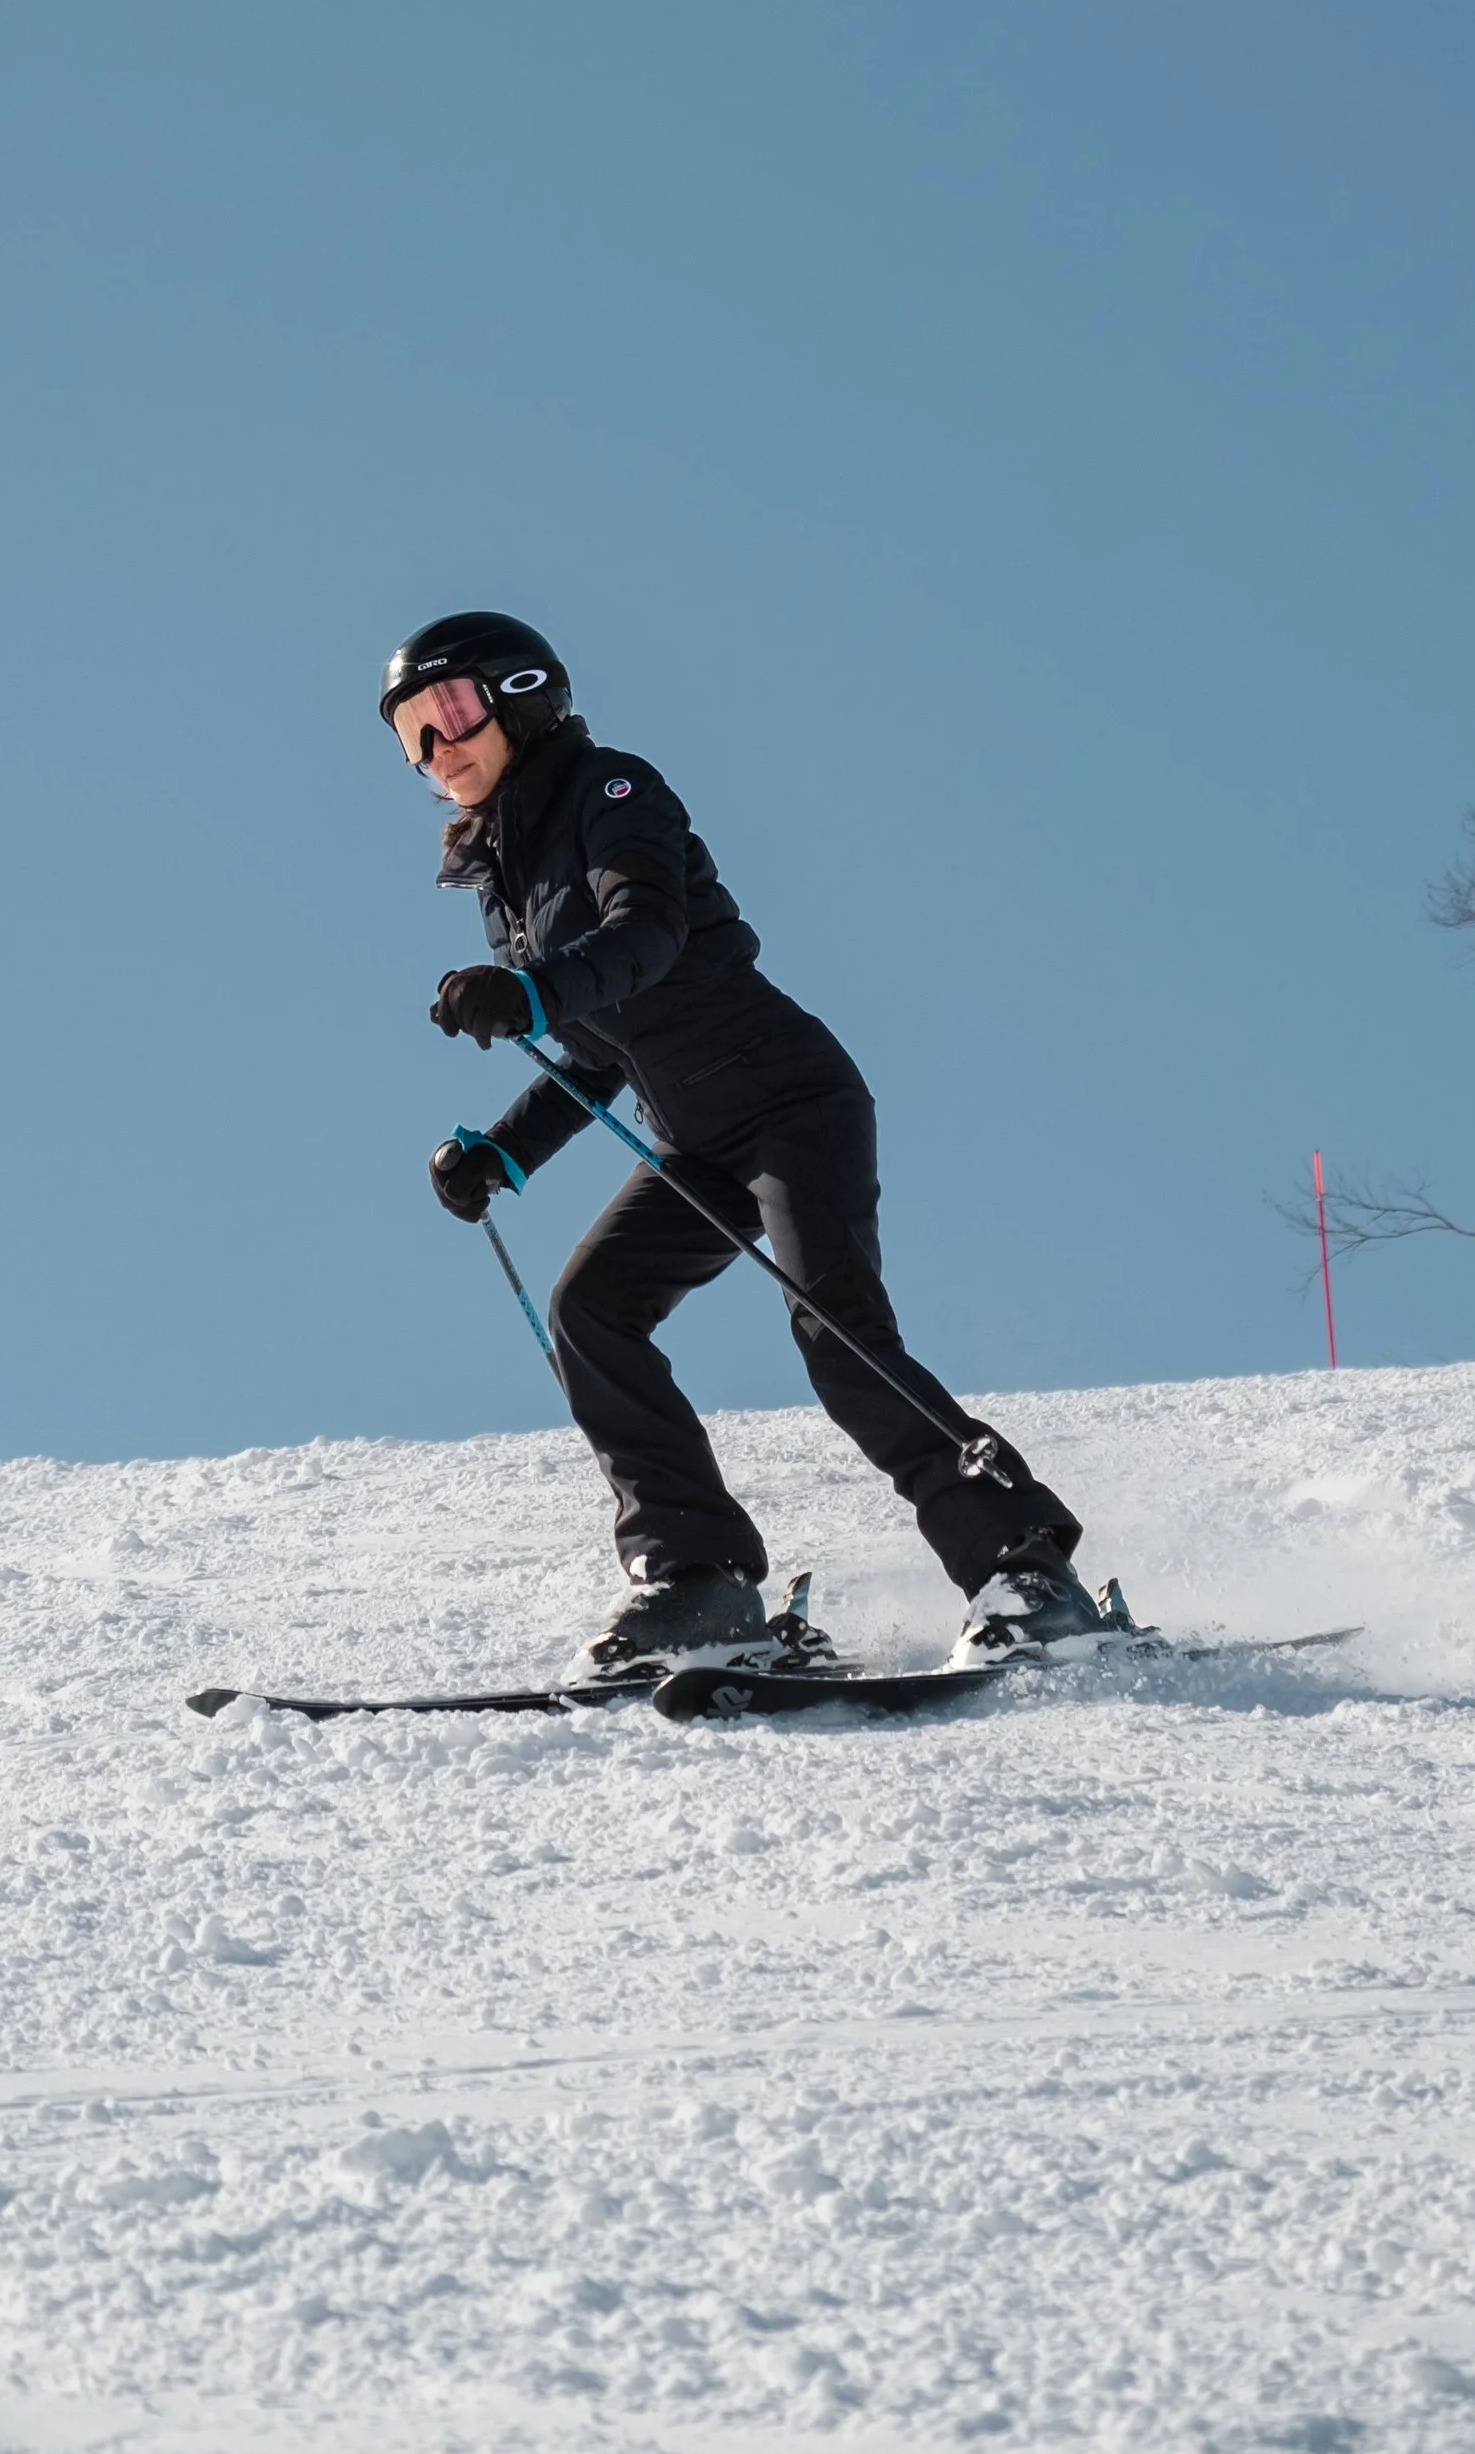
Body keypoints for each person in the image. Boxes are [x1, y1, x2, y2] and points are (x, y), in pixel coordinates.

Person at [382, 610, 1134, 1687]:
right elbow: (600, 1049)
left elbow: (647, 939)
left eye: (450, 709)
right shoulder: (510, 882)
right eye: (411, 732)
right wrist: (500, 1155)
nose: (435, 745)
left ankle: (1024, 1571)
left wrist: (535, 991)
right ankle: (700, 1586)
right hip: (691, 1141)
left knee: (835, 1332)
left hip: (789, 1101)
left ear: (521, 692)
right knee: (589, 1312)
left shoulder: (611, 792)